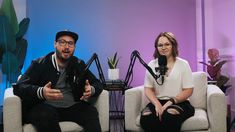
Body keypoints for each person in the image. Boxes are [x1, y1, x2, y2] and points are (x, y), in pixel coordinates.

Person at [13, 30, 103, 132]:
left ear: (74, 47)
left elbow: (98, 83)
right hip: (44, 107)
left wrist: (91, 89)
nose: (66, 47)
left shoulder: (78, 64)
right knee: (44, 115)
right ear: (55, 44)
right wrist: (41, 92)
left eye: (70, 43)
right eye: (62, 42)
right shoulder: (40, 64)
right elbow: (19, 87)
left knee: (90, 112)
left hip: (71, 106)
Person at [140, 32, 195, 132]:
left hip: (179, 102)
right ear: (156, 48)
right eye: (160, 45)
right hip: (158, 101)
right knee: (146, 118)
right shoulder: (152, 64)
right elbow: (148, 89)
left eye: (167, 44)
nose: (163, 47)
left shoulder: (183, 64)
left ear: (173, 45)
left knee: (169, 116)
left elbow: (188, 90)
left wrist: (170, 102)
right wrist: (157, 104)